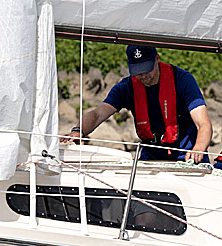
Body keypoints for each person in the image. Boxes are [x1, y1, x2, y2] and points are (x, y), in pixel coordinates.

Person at [62, 45, 212, 163]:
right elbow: (98, 113)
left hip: (186, 156)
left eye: (147, 69)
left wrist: (198, 149)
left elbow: (203, 124)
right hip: (151, 158)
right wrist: (78, 131)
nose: (144, 76)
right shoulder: (126, 87)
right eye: (138, 71)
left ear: (157, 59)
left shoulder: (183, 80)